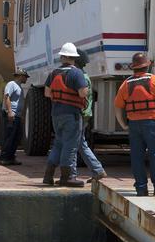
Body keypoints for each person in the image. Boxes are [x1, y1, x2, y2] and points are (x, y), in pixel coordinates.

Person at [115, 52, 155, 196]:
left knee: (136, 157)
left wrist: (123, 124)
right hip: (152, 124)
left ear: (133, 67)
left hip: (134, 125)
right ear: (148, 66)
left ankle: (141, 189)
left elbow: (117, 107)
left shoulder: (125, 84)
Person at [43, 42, 89, 187]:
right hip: (72, 115)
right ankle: (67, 177)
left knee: (58, 144)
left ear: (62, 57)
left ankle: (48, 175)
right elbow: (82, 93)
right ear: (74, 58)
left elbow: (47, 93)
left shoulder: (53, 73)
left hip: (56, 114)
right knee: (70, 146)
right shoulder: (76, 73)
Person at [73, 50, 108, 182]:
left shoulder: (80, 76)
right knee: (80, 143)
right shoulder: (84, 75)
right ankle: (97, 170)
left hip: (81, 114)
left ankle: (75, 174)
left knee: (75, 143)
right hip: (85, 113)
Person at [0, 69, 29, 165]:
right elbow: (7, 97)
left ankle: (10, 157)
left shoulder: (19, 87)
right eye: (25, 77)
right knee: (10, 136)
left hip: (17, 115)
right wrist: (10, 112)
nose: (26, 79)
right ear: (20, 76)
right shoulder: (12, 84)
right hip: (11, 114)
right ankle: (4, 157)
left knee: (16, 137)